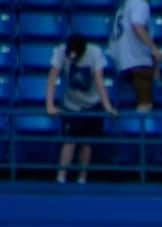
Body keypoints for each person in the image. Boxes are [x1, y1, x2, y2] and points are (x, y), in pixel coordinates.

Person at [45, 34, 117, 186]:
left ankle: (82, 177)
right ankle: (61, 176)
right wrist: (49, 105)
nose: (72, 58)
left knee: (86, 142)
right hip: (71, 104)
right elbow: (52, 79)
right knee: (69, 141)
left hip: (92, 103)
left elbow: (99, 80)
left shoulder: (95, 53)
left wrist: (107, 106)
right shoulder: (60, 51)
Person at [108, 0, 162, 112]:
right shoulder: (139, 4)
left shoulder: (123, 6)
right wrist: (154, 49)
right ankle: (140, 128)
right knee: (145, 104)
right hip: (138, 59)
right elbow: (137, 26)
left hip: (122, 60)